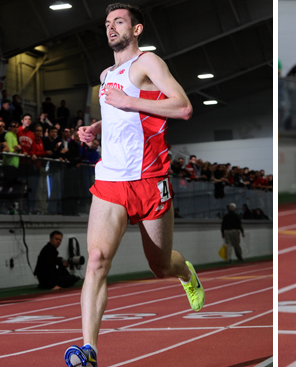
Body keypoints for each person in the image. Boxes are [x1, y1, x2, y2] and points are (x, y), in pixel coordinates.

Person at [64, 4, 204, 367]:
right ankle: (89, 350)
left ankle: (185, 272)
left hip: (149, 179)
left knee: (160, 266)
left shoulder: (148, 63)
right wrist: (97, 129)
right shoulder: (106, 72)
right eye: (108, 23)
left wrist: (128, 100)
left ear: (137, 28)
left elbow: (184, 107)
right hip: (110, 179)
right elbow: (118, 114)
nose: (111, 28)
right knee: (96, 260)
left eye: (119, 22)